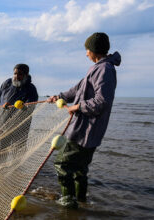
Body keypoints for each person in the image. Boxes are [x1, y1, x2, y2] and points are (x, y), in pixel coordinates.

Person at [47, 32, 121, 208]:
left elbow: (101, 101)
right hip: (86, 131)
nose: (86, 53)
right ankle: (80, 202)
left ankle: (68, 205)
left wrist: (77, 107)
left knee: (62, 164)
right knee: (79, 170)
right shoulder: (98, 68)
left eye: (87, 49)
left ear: (94, 50)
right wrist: (59, 96)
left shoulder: (105, 70)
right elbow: (78, 89)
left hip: (85, 132)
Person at [0, 64, 38, 160]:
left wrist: (13, 106)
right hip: (3, 123)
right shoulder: (7, 83)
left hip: (20, 127)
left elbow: (30, 107)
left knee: (18, 152)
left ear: (26, 75)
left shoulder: (31, 89)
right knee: (1, 150)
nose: (17, 76)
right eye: (15, 73)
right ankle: (1, 170)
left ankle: (16, 172)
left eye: (20, 74)